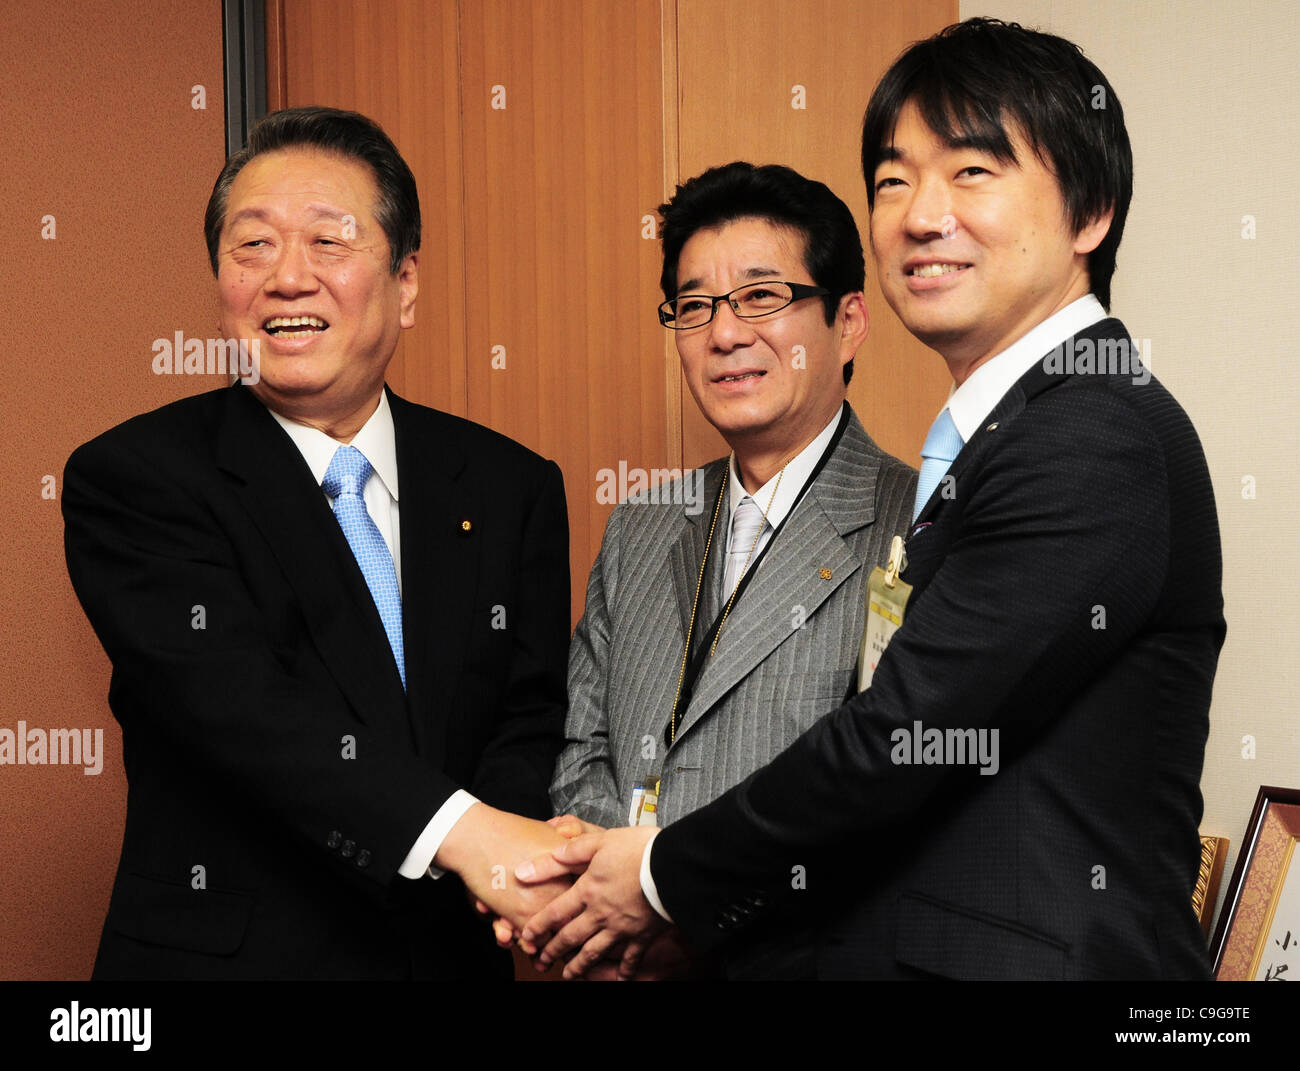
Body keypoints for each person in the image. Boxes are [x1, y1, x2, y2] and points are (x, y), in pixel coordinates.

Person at [518, 18, 1225, 981]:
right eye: (894, 181)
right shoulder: (1011, 432)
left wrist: (654, 874)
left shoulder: (1094, 432)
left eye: (972, 172)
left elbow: (903, 735)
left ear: (1090, 211)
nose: (921, 216)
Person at [63, 106, 574, 979]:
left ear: (406, 282)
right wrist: (470, 836)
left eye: (328, 242)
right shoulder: (135, 477)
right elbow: (248, 710)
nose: (286, 278)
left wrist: (521, 867)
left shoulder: (506, 484)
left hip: (445, 960)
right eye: (251, 246)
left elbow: (528, 718)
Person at [547, 162, 916, 977]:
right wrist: (615, 905)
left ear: (848, 321)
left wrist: (684, 906)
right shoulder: (640, 525)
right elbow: (583, 749)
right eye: (694, 305)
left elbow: (892, 797)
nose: (724, 334)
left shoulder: (916, 526)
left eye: (760, 296)